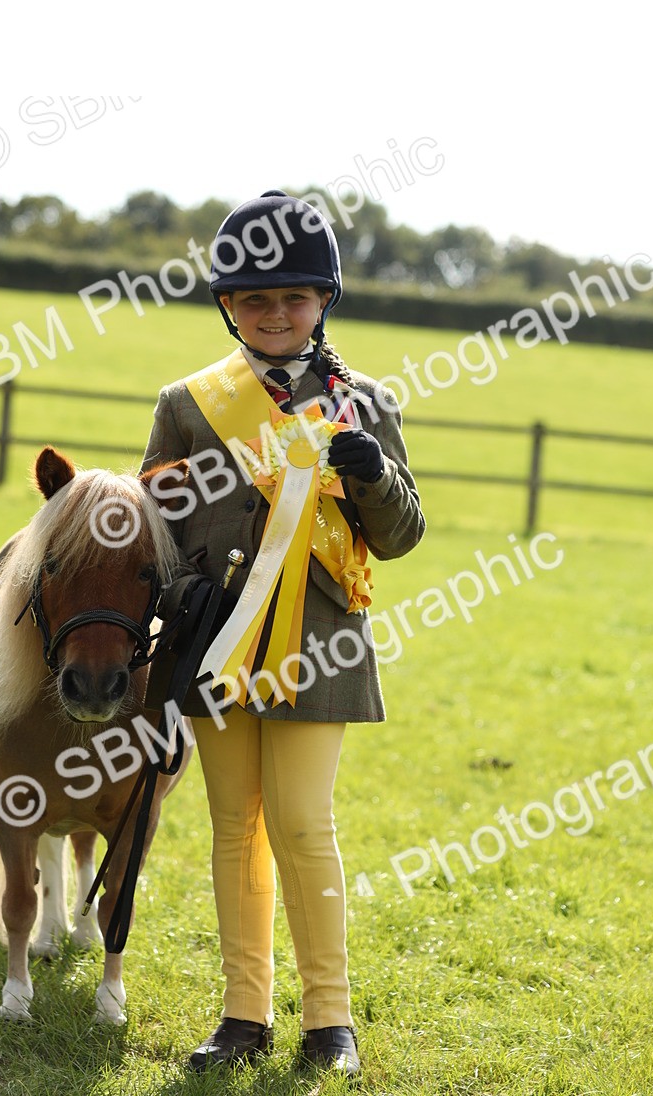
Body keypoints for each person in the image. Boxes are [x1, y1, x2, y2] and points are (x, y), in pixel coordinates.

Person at [139, 190, 425, 1076]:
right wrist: (185, 600)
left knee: (303, 824)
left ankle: (330, 1022)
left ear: (322, 301)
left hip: (317, 642)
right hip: (220, 641)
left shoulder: (365, 402)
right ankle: (244, 1015)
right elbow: (154, 525)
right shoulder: (189, 404)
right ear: (228, 305)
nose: (275, 313)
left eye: (293, 298)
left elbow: (401, 536)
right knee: (235, 824)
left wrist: (373, 475)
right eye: (255, 299)